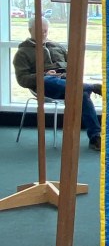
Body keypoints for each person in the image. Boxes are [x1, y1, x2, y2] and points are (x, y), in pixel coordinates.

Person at [13, 17, 102, 152]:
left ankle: (95, 137)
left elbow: (74, 67)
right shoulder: (22, 53)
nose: (43, 33)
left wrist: (67, 74)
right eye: (40, 30)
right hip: (45, 87)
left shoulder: (58, 47)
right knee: (47, 80)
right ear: (30, 30)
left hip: (66, 83)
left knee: (82, 94)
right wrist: (44, 74)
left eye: (45, 30)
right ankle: (93, 87)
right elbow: (22, 80)